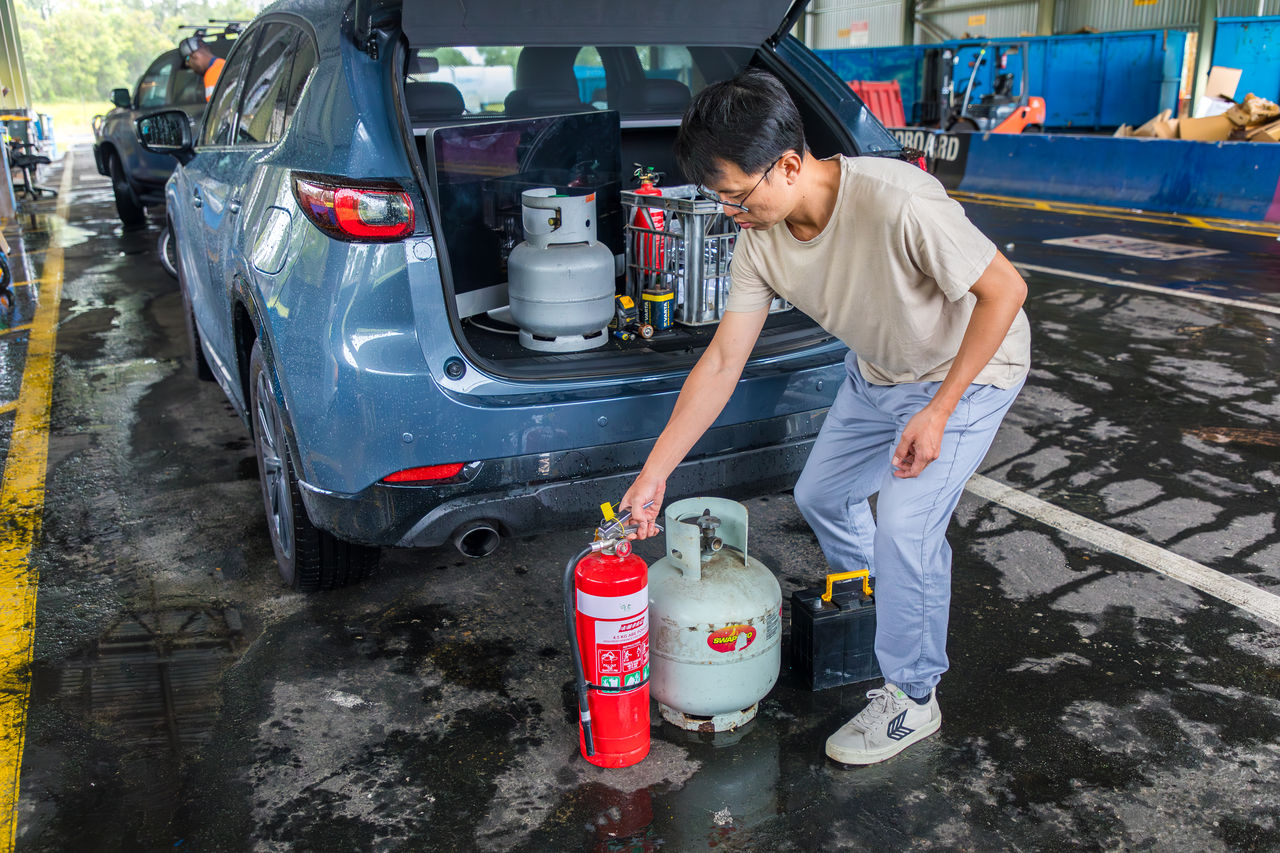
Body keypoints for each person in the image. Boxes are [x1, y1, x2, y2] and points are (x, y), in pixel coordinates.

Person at [618, 69, 1031, 766]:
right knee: (822, 495)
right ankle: (884, 606)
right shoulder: (759, 238)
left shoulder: (898, 200)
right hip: (879, 374)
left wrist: (938, 411)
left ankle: (913, 694)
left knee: (906, 530)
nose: (730, 214)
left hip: (966, 374)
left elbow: (1006, 291)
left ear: (787, 165)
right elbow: (722, 362)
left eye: (736, 197)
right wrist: (654, 474)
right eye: (719, 200)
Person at [179, 37, 226, 102]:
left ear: (194, 55)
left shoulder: (213, 73)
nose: (187, 64)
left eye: (187, 59)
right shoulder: (223, 64)